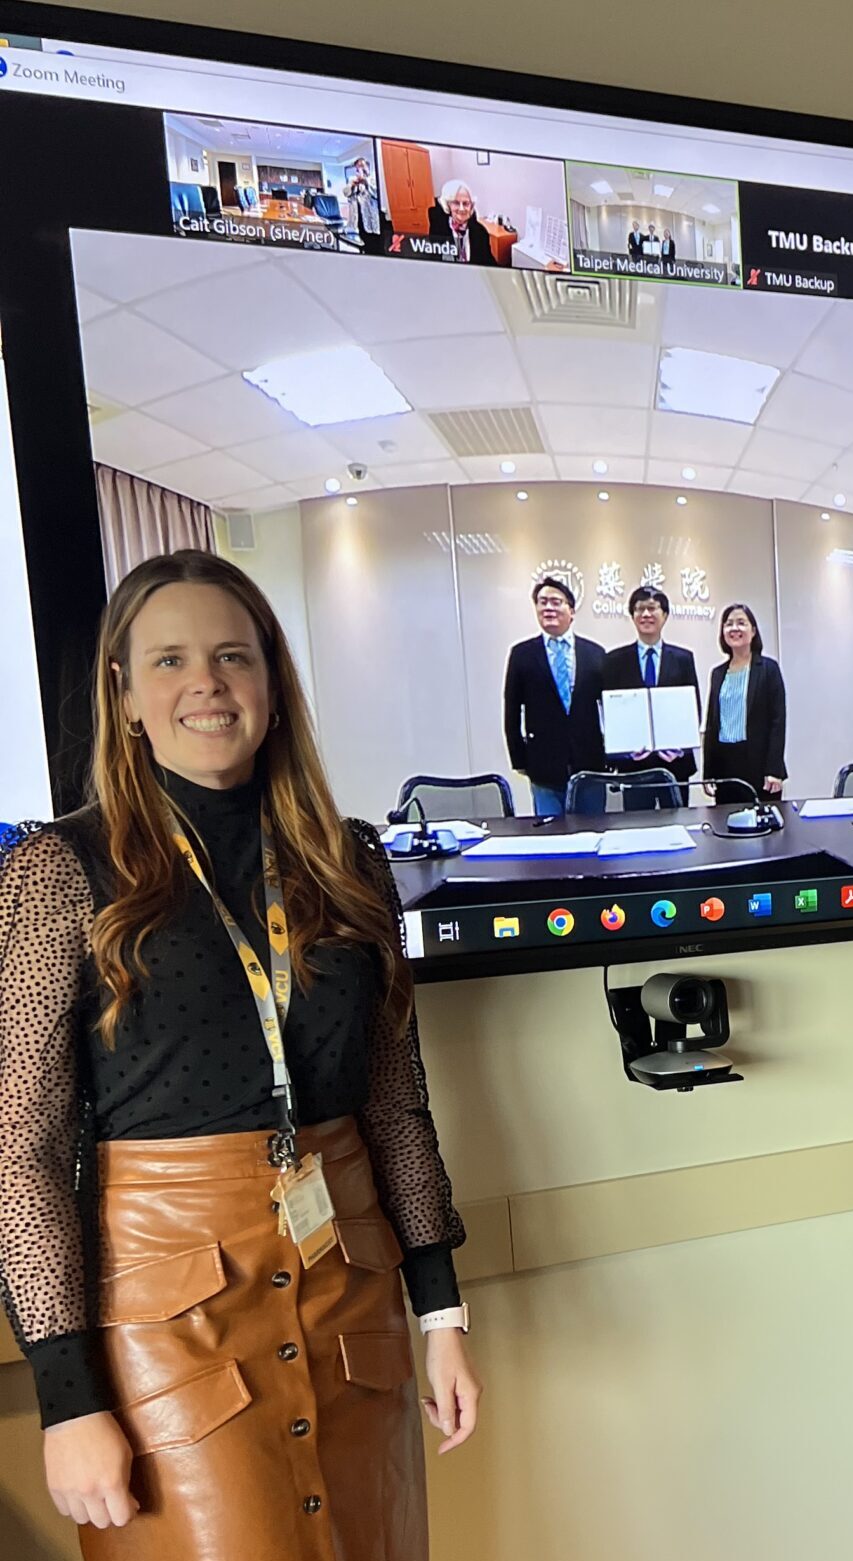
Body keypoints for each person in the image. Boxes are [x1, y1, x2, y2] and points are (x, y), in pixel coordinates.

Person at [0, 549, 480, 1555]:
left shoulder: (347, 861)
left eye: (233, 654)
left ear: (271, 681)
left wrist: (442, 1315)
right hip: (168, 1322)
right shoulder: (59, 873)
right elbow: (22, 1152)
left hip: (354, 1295)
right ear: (124, 694)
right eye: (169, 660)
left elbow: (396, 1100)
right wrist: (67, 1397)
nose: (207, 682)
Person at [503, 576, 607, 816]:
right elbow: (511, 711)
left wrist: (610, 755)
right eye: (542, 602)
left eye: (555, 602)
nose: (548, 607)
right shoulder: (522, 654)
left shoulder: (595, 653)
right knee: (552, 841)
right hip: (543, 767)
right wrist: (519, 760)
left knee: (594, 833)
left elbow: (609, 709)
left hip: (590, 765)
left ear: (571, 610)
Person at [601, 585, 699, 808]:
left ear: (664, 615)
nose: (646, 614)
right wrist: (624, 753)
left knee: (678, 826)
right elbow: (609, 714)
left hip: (675, 765)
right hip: (634, 767)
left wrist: (680, 748)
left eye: (652, 608)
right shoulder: (614, 660)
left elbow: (693, 709)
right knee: (638, 829)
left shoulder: (683, 658)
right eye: (639, 609)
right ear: (632, 616)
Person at [702, 603, 786, 804]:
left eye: (741, 623)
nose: (734, 628)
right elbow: (712, 725)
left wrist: (774, 769)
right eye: (728, 624)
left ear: (753, 631)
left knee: (763, 829)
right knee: (726, 826)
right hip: (725, 765)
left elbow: (778, 721)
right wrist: (708, 772)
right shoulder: (717, 673)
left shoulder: (768, 669)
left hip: (758, 764)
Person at [425, 178, 499, 266]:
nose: (461, 208)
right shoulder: (438, 228)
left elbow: (488, 263)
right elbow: (431, 260)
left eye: (466, 203)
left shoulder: (480, 232)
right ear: (447, 205)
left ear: (471, 206)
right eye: (456, 203)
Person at [341, 157, 380, 250]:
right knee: (363, 243)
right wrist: (352, 185)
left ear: (367, 166)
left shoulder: (373, 178)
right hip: (359, 220)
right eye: (358, 168)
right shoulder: (353, 180)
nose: (360, 169)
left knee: (375, 244)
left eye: (362, 166)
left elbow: (377, 194)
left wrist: (366, 182)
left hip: (372, 219)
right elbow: (346, 193)